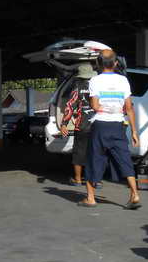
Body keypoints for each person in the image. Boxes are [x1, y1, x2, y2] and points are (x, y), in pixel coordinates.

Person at [78, 49, 141, 209]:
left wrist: (104, 106)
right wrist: (134, 131)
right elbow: (129, 108)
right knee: (124, 159)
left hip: (101, 125)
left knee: (94, 160)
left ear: (98, 64)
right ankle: (134, 194)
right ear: (115, 63)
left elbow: (94, 105)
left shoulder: (95, 81)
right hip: (118, 125)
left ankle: (91, 198)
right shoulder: (123, 81)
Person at [60, 62, 96, 187]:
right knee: (95, 153)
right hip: (97, 125)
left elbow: (70, 106)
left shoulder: (77, 88)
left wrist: (64, 123)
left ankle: (78, 179)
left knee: (79, 153)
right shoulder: (98, 88)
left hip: (82, 125)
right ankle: (95, 180)